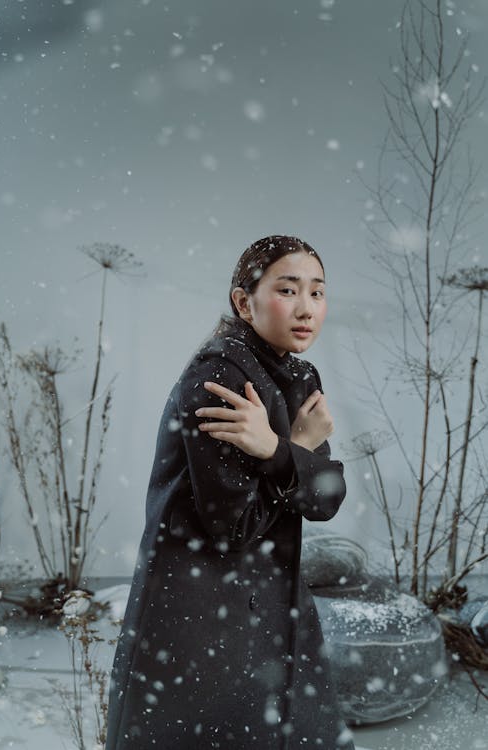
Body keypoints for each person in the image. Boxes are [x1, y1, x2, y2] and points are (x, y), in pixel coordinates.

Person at [105, 235, 355, 750]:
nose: (307, 308)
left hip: (266, 602)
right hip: (205, 608)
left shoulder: (299, 372)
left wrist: (281, 449)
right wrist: (295, 450)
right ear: (244, 301)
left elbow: (326, 498)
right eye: (288, 290)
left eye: (318, 292)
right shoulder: (220, 374)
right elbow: (232, 526)